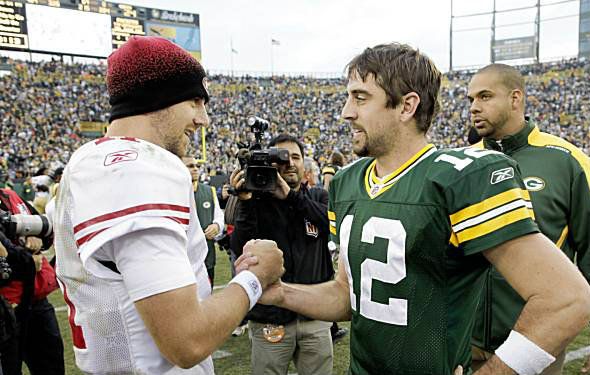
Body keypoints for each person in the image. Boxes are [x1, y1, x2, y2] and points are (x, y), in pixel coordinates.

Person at [237, 43, 590, 375]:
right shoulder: (346, 182)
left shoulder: (460, 177)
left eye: (360, 98)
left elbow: (566, 298)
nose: (346, 112)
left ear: (406, 106)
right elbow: (348, 294)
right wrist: (282, 292)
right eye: (348, 97)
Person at [53, 36, 284, 375]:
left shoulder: (90, 160)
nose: (203, 119)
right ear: (159, 97)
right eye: (195, 101)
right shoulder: (137, 169)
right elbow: (186, 341)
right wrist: (255, 278)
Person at [467, 63, 590, 374]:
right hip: (462, 342)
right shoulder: (461, 163)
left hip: (536, 342)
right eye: (470, 100)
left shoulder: (568, 161)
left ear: (515, 98)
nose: (474, 107)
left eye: (484, 96)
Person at [230, 134, 335, 375]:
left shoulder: (317, 196)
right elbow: (240, 246)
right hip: (271, 317)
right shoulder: (257, 201)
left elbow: (330, 223)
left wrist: (291, 196)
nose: (289, 163)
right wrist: (246, 202)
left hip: (314, 314)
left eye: (295, 157)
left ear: (304, 162)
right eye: (281, 158)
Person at [183, 156, 224, 285]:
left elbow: (219, 215)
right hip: (185, 256)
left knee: (208, 293)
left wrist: (217, 225)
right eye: (190, 166)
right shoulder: (173, 192)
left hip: (207, 253)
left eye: (197, 166)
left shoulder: (209, 191)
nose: (195, 169)